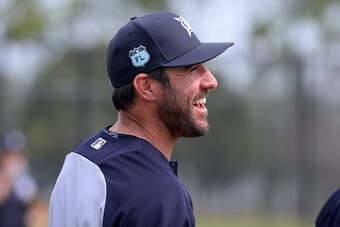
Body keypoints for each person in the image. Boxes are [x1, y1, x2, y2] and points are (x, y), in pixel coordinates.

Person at [48, 11, 234, 227]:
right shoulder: (158, 194)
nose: (211, 81)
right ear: (146, 87)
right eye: (191, 69)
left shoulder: (83, 155)